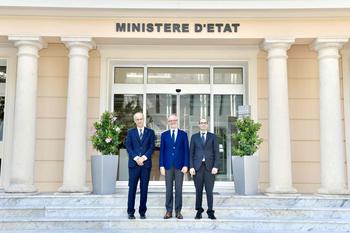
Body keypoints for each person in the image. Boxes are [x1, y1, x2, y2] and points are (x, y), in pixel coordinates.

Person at [125, 112, 155, 220]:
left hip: (146, 165)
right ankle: (130, 212)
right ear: (135, 121)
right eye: (137, 119)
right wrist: (137, 158)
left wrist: (144, 158)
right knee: (132, 189)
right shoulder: (130, 132)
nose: (139, 121)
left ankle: (142, 212)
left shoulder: (150, 132)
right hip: (134, 165)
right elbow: (128, 148)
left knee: (144, 189)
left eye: (141, 119)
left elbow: (151, 147)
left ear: (144, 119)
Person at [159, 114, 189, 219]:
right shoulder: (164, 135)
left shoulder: (183, 134)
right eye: (170, 121)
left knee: (179, 189)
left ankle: (178, 211)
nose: (173, 122)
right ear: (168, 122)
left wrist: (186, 164)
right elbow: (161, 151)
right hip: (167, 165)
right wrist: (161, 165)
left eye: (174, 120)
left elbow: (186, 151)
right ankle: (168, 211)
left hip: (180, 166)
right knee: (168, 189)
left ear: (177, 121)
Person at [189, 118, 220, 220]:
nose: (203, 124)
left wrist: (216, 166)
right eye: (201, 123)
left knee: (209, 190)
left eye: (205, 123)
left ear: (207, 125)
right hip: (197, 167)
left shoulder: (213, 137)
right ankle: (199, 211)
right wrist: (191, 167)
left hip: (210, 168)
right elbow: (191, 154)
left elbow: (217, 153)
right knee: (198, 190)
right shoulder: (194, 137)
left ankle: (210, 211)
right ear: (198, 125)